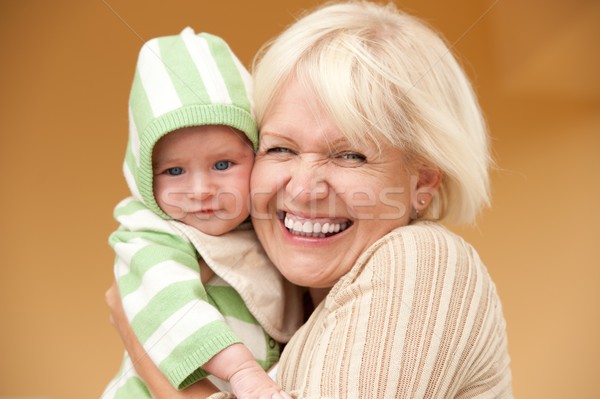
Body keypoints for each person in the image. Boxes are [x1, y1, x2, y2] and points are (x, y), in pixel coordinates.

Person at [105, 1, 513, 397]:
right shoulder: (263, 295)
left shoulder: (423, 260)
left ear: (422, 182)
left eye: (350, 155)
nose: (302, 189)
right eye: (280, 149)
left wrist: (146, 350)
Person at [101, 27, 303, 399]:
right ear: (145, 176)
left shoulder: (270, 227)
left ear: (257, 155)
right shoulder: (150, 235)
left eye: (223, 164)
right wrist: (243, 371)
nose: (200, 190)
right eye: (174, 171)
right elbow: (170, 305)